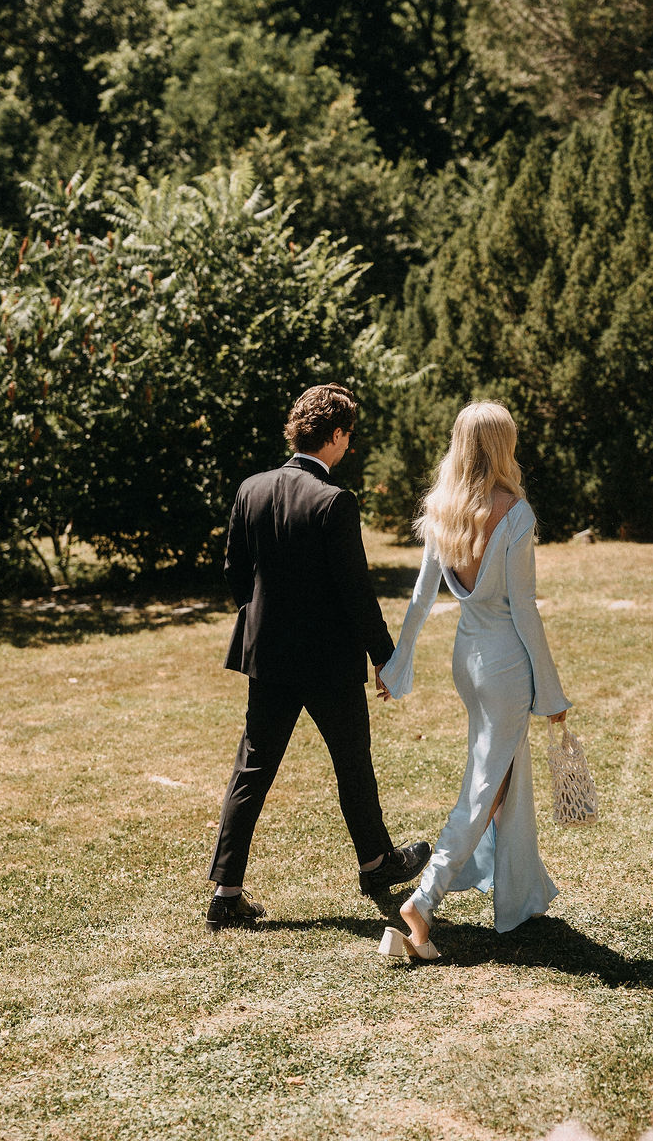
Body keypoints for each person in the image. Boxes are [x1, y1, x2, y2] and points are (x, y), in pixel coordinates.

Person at [205, 382, 430, 930]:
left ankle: (225, 891)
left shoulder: (250, 489)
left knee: (251, 770)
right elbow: (356, 591)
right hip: (328, 662)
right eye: (347, 437)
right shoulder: (334, 500)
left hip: (270, 659)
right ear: (334, 436)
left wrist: (264, 620)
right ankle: (377, 865)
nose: (349, 448)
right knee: (353, 763)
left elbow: (235, 571)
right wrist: (387, 657)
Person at [376, 401, 571, 960]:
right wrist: (552, 692)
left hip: (467, 657)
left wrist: (398, 664)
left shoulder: (444, 508)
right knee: (485, 785)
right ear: (503, 445)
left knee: (503, 775)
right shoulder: (515, 513)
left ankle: (521, 893)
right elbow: (525, 611)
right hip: (505, 661)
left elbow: (419, 599)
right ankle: (426, 896)